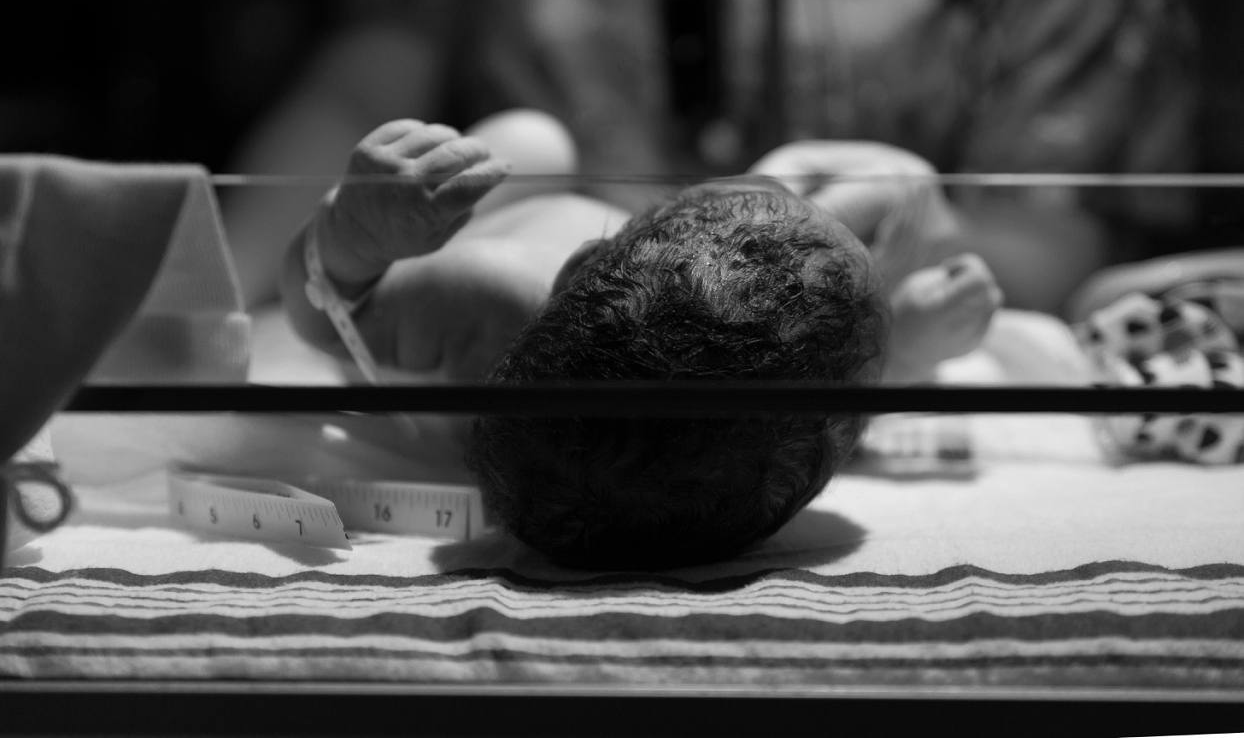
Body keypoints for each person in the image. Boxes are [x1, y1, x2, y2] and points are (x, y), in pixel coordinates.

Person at [238, 0, 1198, 316]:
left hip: (840, 294)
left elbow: (1052, 234)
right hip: (547, 266)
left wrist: (923, 248)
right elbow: (364, 92)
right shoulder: (519, 218)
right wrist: (196, 315)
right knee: (523, 151)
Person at [282, 118, 1002, 568]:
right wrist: (904, 348)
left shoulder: (481, 289)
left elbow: (323, 318)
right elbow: (781, 417)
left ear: (575, 267)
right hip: (631, 286)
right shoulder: (714, 448)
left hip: (495, 227)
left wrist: (354, 234)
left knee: (533, 139)